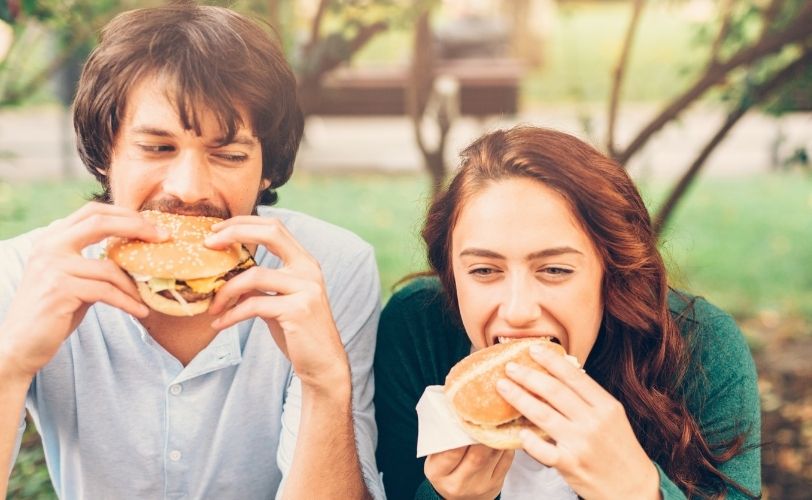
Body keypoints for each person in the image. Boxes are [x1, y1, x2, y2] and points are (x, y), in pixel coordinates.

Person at [0, 2, 384, 498]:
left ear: (267, 168)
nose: (187, 188)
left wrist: (327, 385)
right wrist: (9, 364)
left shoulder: (328, 271)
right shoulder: (25, 274)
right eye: (156, 148)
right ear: (105, 152)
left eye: (229, 154)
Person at [374, 126, 761, 499]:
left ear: (613, 274)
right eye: (484, 271)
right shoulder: (417, 328)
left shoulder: (702, 350)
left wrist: (637, 491)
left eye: (555, 269)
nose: (518, 310)